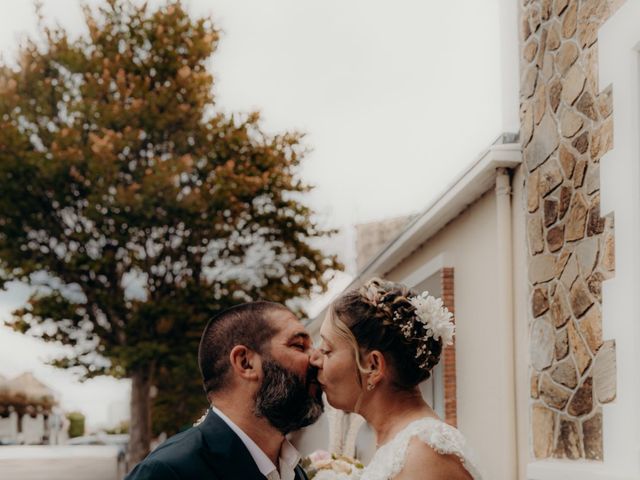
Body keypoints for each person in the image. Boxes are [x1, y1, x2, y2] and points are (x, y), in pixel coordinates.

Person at [126, 301, 324, 480]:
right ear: (245, 363)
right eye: (299, 345)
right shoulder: (167, 472)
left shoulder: (292, 470)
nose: (317, 358)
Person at [310, 278, 482, 480]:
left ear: (373, 366)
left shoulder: (424, 456)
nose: (314, 359)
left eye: (327, 350)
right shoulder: (402, 444)